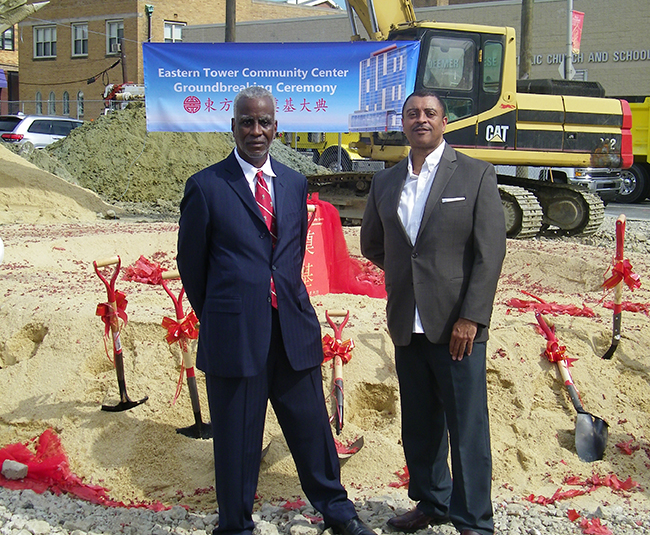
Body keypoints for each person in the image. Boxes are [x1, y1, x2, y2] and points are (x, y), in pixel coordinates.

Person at [177, 86, 375, 535]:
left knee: (312, 433)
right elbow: (191, 265)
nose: (256, 130)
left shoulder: (293, 183)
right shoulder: (206, 187)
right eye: (247, 121)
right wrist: (223, 315)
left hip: (291, 333)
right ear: (233, 126)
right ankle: (235, 525)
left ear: (276, 128)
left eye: (264, 122)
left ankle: (339, 514)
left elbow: (287, 255)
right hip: (236, 337)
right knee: (236, 442)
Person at [360, 89, 506, 535]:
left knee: (466, 429)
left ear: (444, 121)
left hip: (457, 327)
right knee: (420, 424)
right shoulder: (385, 182)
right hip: (409, 324)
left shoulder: (476, 175)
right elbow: (373, 244)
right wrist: (412, 278)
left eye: (429, 113)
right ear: (402, 123)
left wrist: (472, 316)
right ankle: (432, 501)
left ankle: (474, 519)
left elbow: (490, 252)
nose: (420, 119)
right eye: (412, 114)